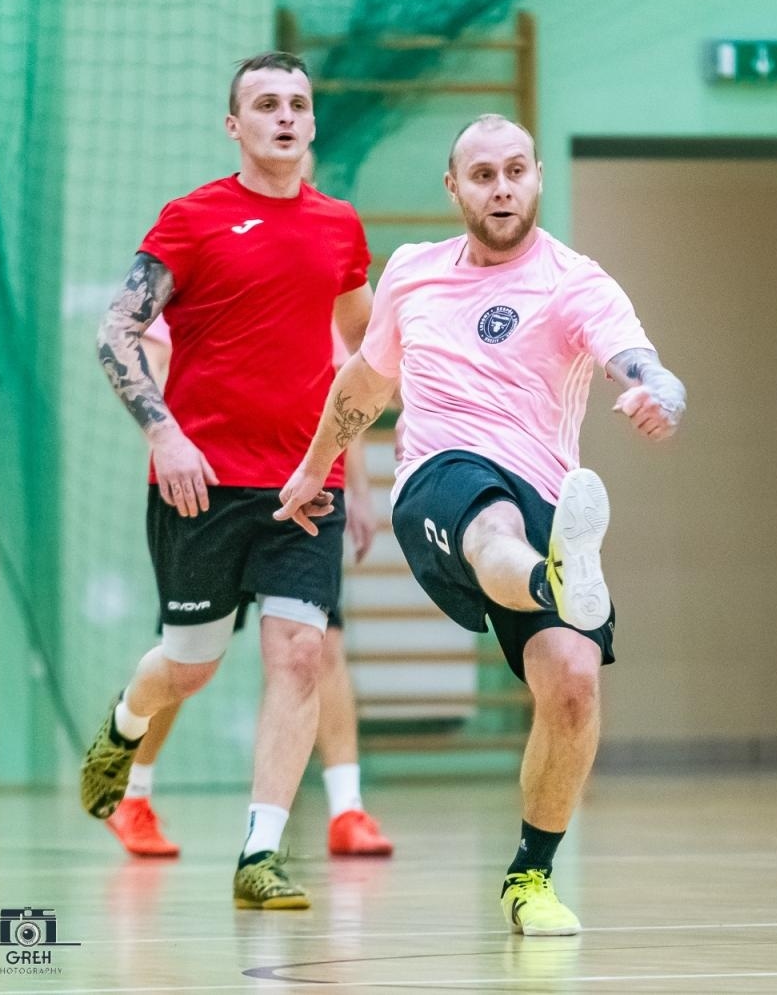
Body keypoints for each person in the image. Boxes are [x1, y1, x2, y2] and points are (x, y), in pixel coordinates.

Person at [276, 113, 685, 936]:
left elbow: (637, 359)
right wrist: (314, 465)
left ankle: (529, 877)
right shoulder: (413, 273)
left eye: (515, 172)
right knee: (491, 520)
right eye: (483, 174)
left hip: (546, 491)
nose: (502, 188)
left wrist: (661, 391)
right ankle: (551, 577)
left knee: (570, 682)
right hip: (440, 477)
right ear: (454, 187)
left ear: (537, 176)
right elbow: (363, 381)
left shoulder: (576, 281)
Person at [84, 51, 372, 909]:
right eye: (265, 104)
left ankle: (260, 852)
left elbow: (358, 359)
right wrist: (164, 432)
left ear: (312, 123)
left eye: (298, 104)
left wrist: (343, 464)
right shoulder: (193, 219)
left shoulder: (341, 229)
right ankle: (124, 727)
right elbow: (115, 330)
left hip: (303, 487)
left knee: (299, 655)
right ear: (234, 125)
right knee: (191, 665)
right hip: (200, 484)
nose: (284, 116)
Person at [104, 315, 393, 860]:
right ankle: (133, 795)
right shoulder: (201, 283)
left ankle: (345, 808)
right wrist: (173, 439)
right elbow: (147, 362)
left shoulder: (315, 301)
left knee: (318, 646)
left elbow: (343, 401)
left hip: (297, 499)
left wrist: (357, 491)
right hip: (211, 496)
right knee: (185, 664)